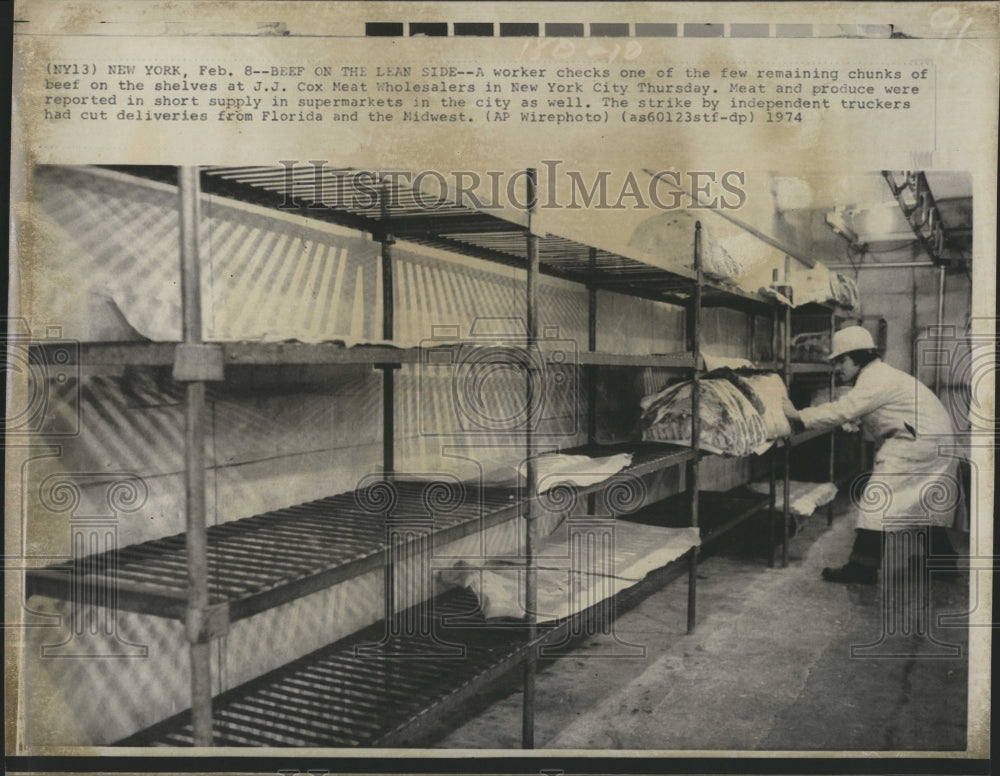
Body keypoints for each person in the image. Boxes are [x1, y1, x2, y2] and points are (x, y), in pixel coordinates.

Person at [782, 326, 960, 584]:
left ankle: (862, 569)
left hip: (917, 444)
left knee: (877, 500)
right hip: (934, 441)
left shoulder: (874, 378)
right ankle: (943, 562)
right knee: (926, 502)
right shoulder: (878, 375)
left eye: (841, 360)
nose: (838, 368)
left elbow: (844, 409)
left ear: (859, 357)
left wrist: (799, 417)